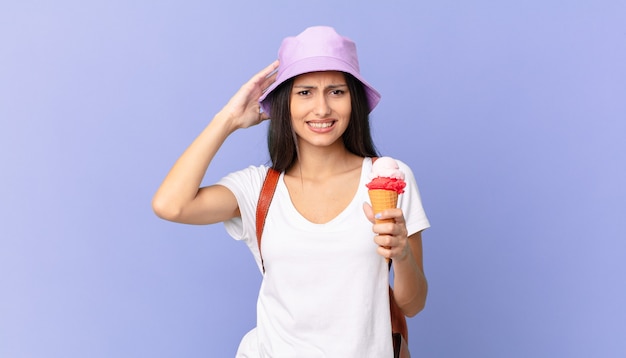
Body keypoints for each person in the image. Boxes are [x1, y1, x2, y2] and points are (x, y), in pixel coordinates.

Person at [152, 26, 430, 357]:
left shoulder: (388, 179)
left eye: (336, 92)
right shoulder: (258, 189)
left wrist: (401, 255)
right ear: (285, 103)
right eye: (305, 92)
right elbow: (171, 205)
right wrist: (227, 119)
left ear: (353, 100)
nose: (322, 109)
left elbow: (412, 305)